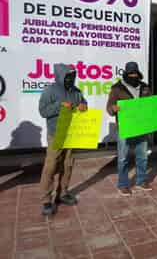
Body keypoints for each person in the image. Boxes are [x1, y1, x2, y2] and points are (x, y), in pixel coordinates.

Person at [39, 64, 87, 216]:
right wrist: (59, 106)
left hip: (72, 133)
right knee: (51, 165)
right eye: (67, 76)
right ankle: (46, 200)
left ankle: (63, 193)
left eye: (72, 76)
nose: (70, 79)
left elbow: (84, 104)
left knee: (68, 164)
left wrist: (83, 106)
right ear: (60, 76)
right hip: (56, 134)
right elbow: (43, 111)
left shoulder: (76, 91)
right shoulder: (50, 91)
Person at [106, 62, 152, 196]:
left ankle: (141, 181)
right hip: (125, 128)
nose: (133, 76)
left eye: (135, 73)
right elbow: (109, 107)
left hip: (142, 127)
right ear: (126, 74)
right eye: (130, 73)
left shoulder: (145, 87)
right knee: (123, 158)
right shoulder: (117, 88)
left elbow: (151, 103)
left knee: (142, 156)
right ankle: (123, 185)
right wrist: (113, 109)